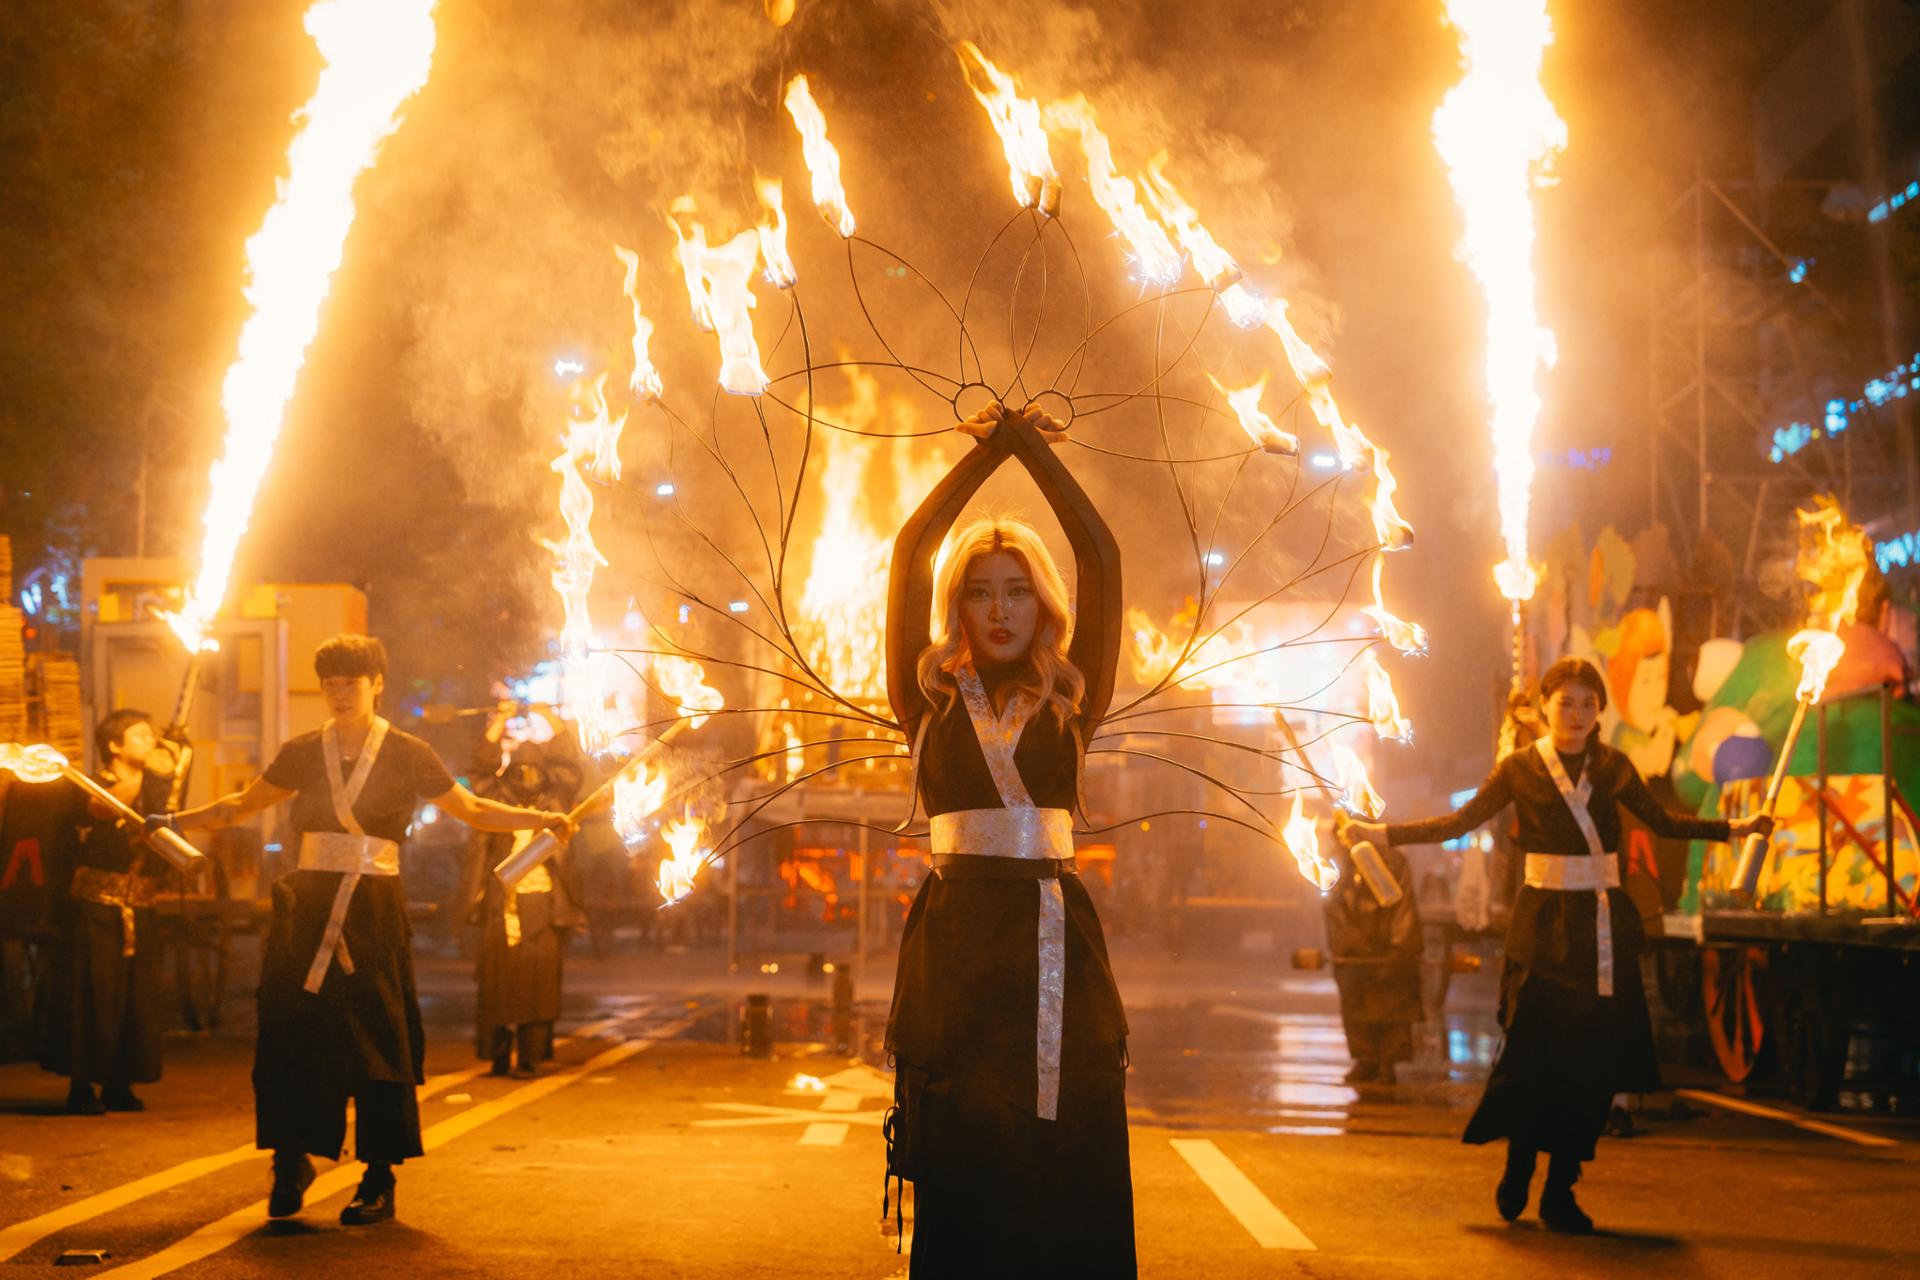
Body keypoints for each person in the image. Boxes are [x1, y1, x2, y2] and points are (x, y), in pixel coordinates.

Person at [1346, 657, 1771, 1234]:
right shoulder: (1519, 769)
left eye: (1587, 704)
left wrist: (1735, 829)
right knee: (1532, 1054)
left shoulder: (1614, 767)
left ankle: (1560, 1190)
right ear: (1545, 705)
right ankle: (1520, 1161)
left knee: (1592, 1066)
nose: (1575, 714)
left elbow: (1666, 824)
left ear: (1600, 712)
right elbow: (1459, 822)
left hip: (1601, 928)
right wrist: (1382, 832)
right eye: (1565, 702)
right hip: (1541, 927)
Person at [158, 635, 571, 1226]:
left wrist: (542, 819)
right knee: (291, 1034)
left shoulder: (407, 752)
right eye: (330, 683)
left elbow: (475, 811)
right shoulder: (302, 751)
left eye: (352, 681)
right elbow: (238, 807)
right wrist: (172, 821)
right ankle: (291, 1159)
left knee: (379, 1036)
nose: (340, 693)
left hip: (373, 910)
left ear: (378, 683)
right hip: (306, 907)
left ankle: (378, 1176)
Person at [882, 402, 1133, 1277]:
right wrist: (987, 453)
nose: (998, 609)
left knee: (1063, 1163)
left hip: (1057, 942)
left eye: (1017, 589)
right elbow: (913, 551)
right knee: (963, 1171)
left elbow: (1099, 554)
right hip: (954, 948)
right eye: (979, 591)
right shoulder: (927, 699)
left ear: (1043, 604)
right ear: (957, 607)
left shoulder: (1074, 696)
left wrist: (1032, 451)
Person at [39, 709, 174, 1114]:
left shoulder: (157, 791)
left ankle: (120, 1082)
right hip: (95, 911)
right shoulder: (88, 787)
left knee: (135, 998)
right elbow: (105, 809)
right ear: (114, 746)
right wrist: (152, 778)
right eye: (139, 735)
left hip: (139, 909)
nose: (150, 742)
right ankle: (82, 1086)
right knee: (93, 996)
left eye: (153, 735)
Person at [466, 703, 584, 1077]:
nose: (527, 777)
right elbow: (478, 774)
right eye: (520, 770)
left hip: (543, 906)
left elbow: (570, 768)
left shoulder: (556, 803)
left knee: (538, 984)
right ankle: (499, 1056)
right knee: (497, 982)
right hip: (501, 903)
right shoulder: (496, 801)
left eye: (534, 770)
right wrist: (499, 720)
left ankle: (532, 1057)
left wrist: (550, 716)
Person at [1321, 836, 1421, 1086]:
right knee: (1355, 1003)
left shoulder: (1392, 860)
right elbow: (1332, 904)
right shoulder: (1337, 861)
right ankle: (1365, 1059)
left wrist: (1399, 945)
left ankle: (1387, 1062)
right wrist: (1351, 941)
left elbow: (1403, 903)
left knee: (1391, 1003)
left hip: (1386, 941)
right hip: (1354, 947)